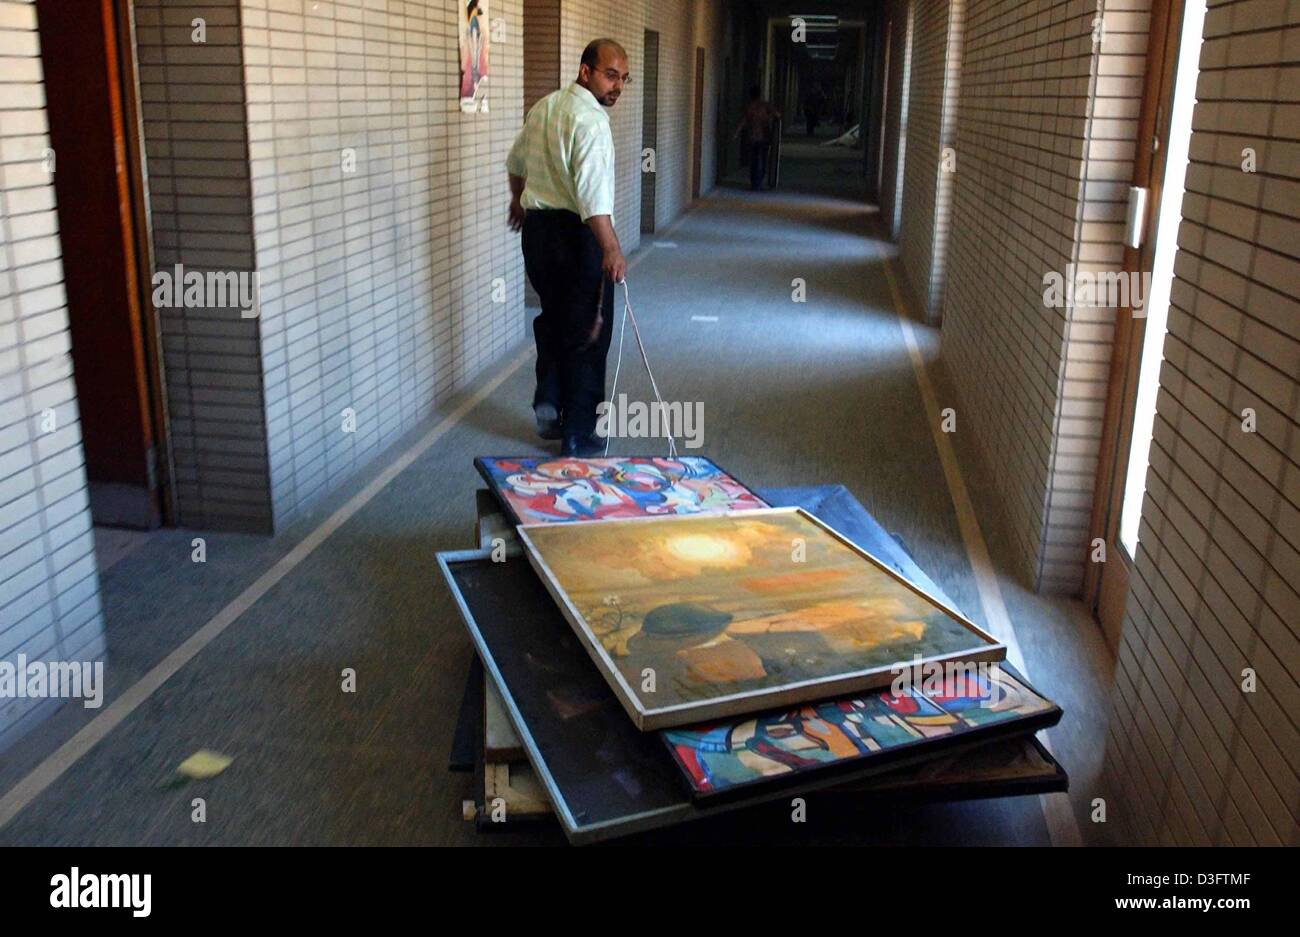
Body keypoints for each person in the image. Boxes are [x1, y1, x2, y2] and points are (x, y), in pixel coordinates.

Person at [507, 39, 630, 458]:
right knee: (590, 334)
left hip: (539, 235)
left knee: (556, 316)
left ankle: (549, 395)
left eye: (623, 79)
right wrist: (610, 248)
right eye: (610, 75)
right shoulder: (591, 122)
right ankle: (579, 434)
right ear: (586, 72)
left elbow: (515, 163)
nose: (617, 87)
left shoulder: (544, 108)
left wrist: (517, 201)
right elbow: (594, 198)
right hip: (579, 238)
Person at [734, 86, 781, 191]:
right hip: (765, 136)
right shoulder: (765, 105)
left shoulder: (749, 107)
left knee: (754, 160)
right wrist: (768, 119)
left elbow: (743, 121)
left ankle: (754, 183)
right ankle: (759, 181)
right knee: (763, 159)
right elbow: (777, 114)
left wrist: (736, 133)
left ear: (750, 95)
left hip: (753, 137)